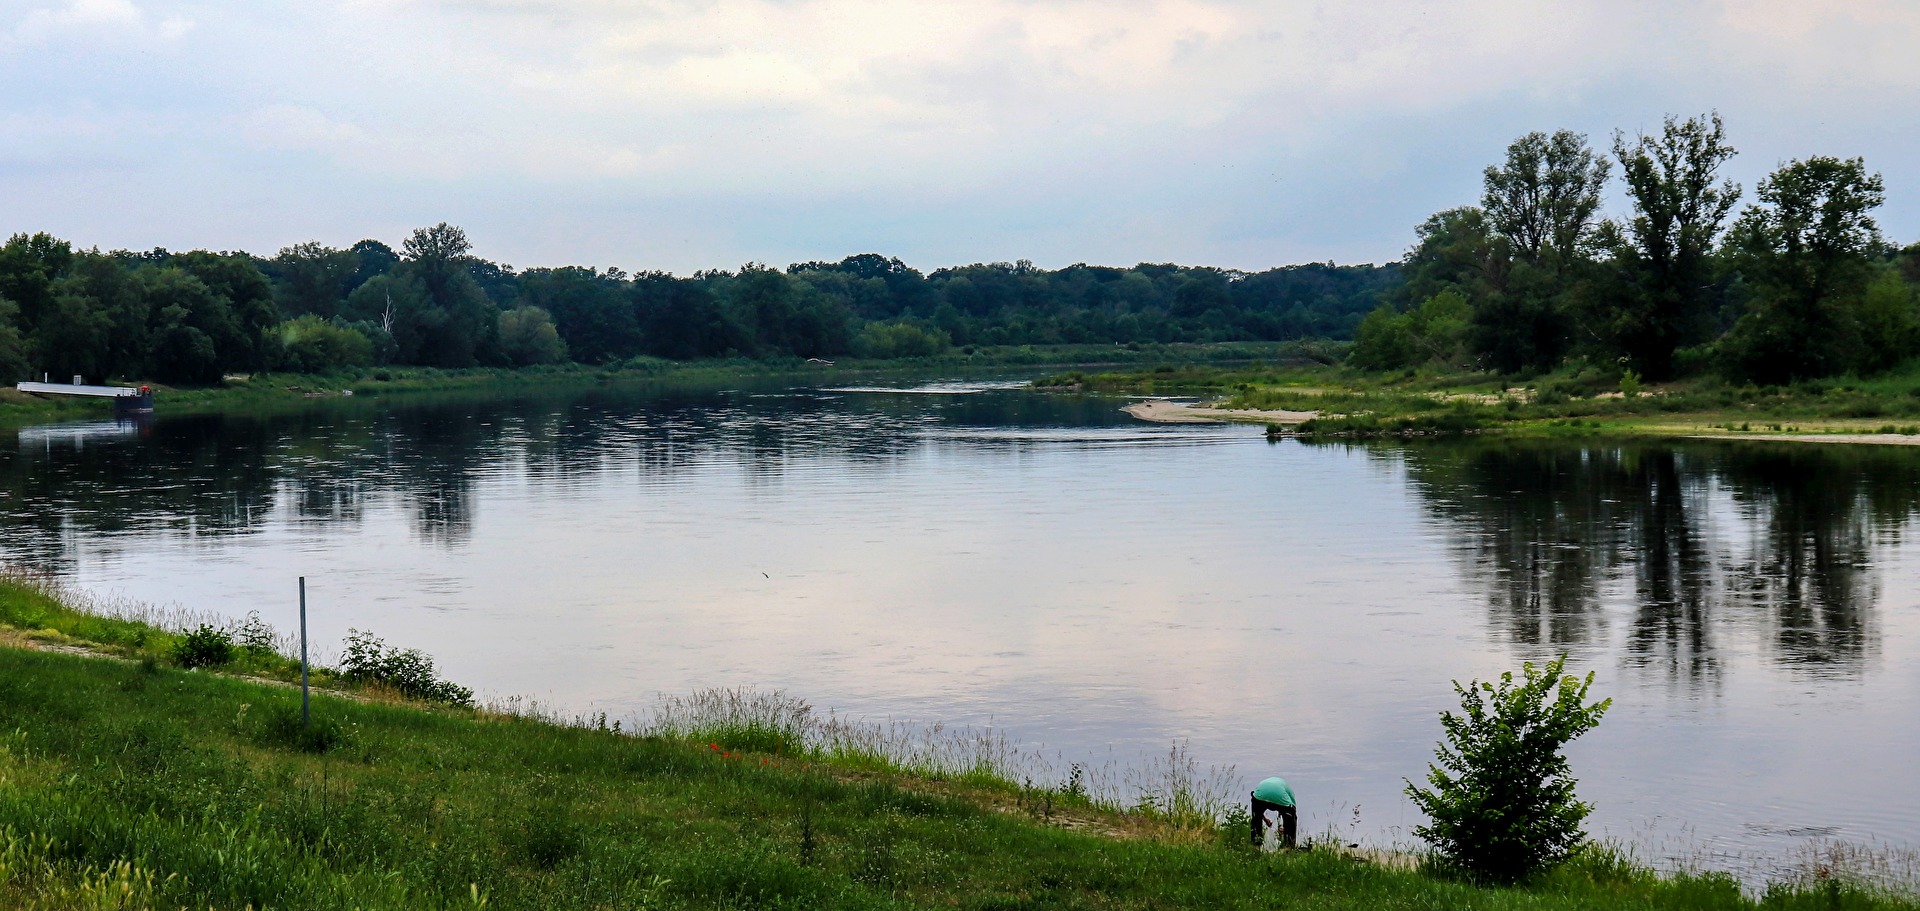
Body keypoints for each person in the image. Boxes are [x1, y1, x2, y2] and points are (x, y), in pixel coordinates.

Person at [1251, 776, 1297, 848]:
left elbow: (1258, 811)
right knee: (1291, 820)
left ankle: (1256, 845)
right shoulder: (1290, 793)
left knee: (1256, 819)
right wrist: (1286, 828)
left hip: (1259, 794)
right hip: (1279, 795)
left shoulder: (1271, 782)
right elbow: (1292, 812)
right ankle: (1289, 846)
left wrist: (1265, 819)